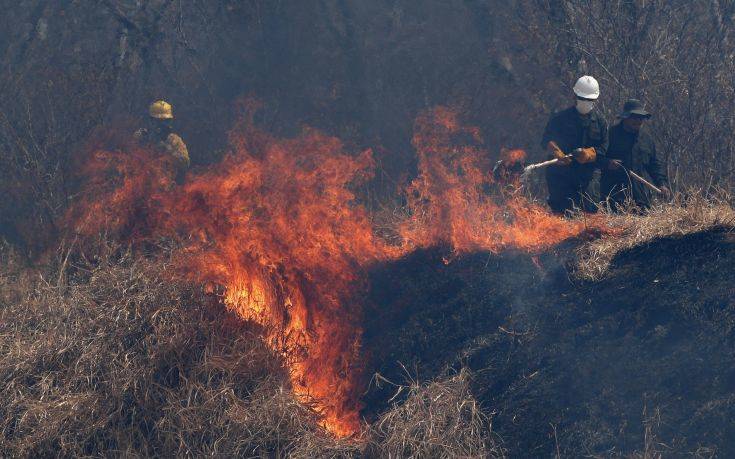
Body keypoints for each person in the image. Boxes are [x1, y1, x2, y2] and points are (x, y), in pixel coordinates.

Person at [541, 75, 609, 214]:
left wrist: (589, 154)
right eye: (582, 98)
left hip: (587, 179)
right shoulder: (560, 119)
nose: (585, 102)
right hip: (562, 178)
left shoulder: (600, 122)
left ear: (595, 99)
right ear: (575, 96)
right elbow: (547, 140)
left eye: (589, 99)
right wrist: (557, 152)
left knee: (589, 215)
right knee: (563, 216)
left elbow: (604, 147)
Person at [600, 99, 670, 211]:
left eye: (641, 118)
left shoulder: (646, 140)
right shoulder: (610, 135)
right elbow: (596, 157)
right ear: (625, 117)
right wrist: (607, 163)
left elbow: (654, 165)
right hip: (613, 196)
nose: (638, 121)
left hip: (639, 197)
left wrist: (662, 184)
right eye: (634, 117)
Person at [134, 100, 190, 183]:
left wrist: (167, 149)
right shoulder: (141, 136)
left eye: (166, 121)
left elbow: (185, 163)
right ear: (151, 121)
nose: (163, 125)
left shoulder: (175, 140)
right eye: (159, 121)